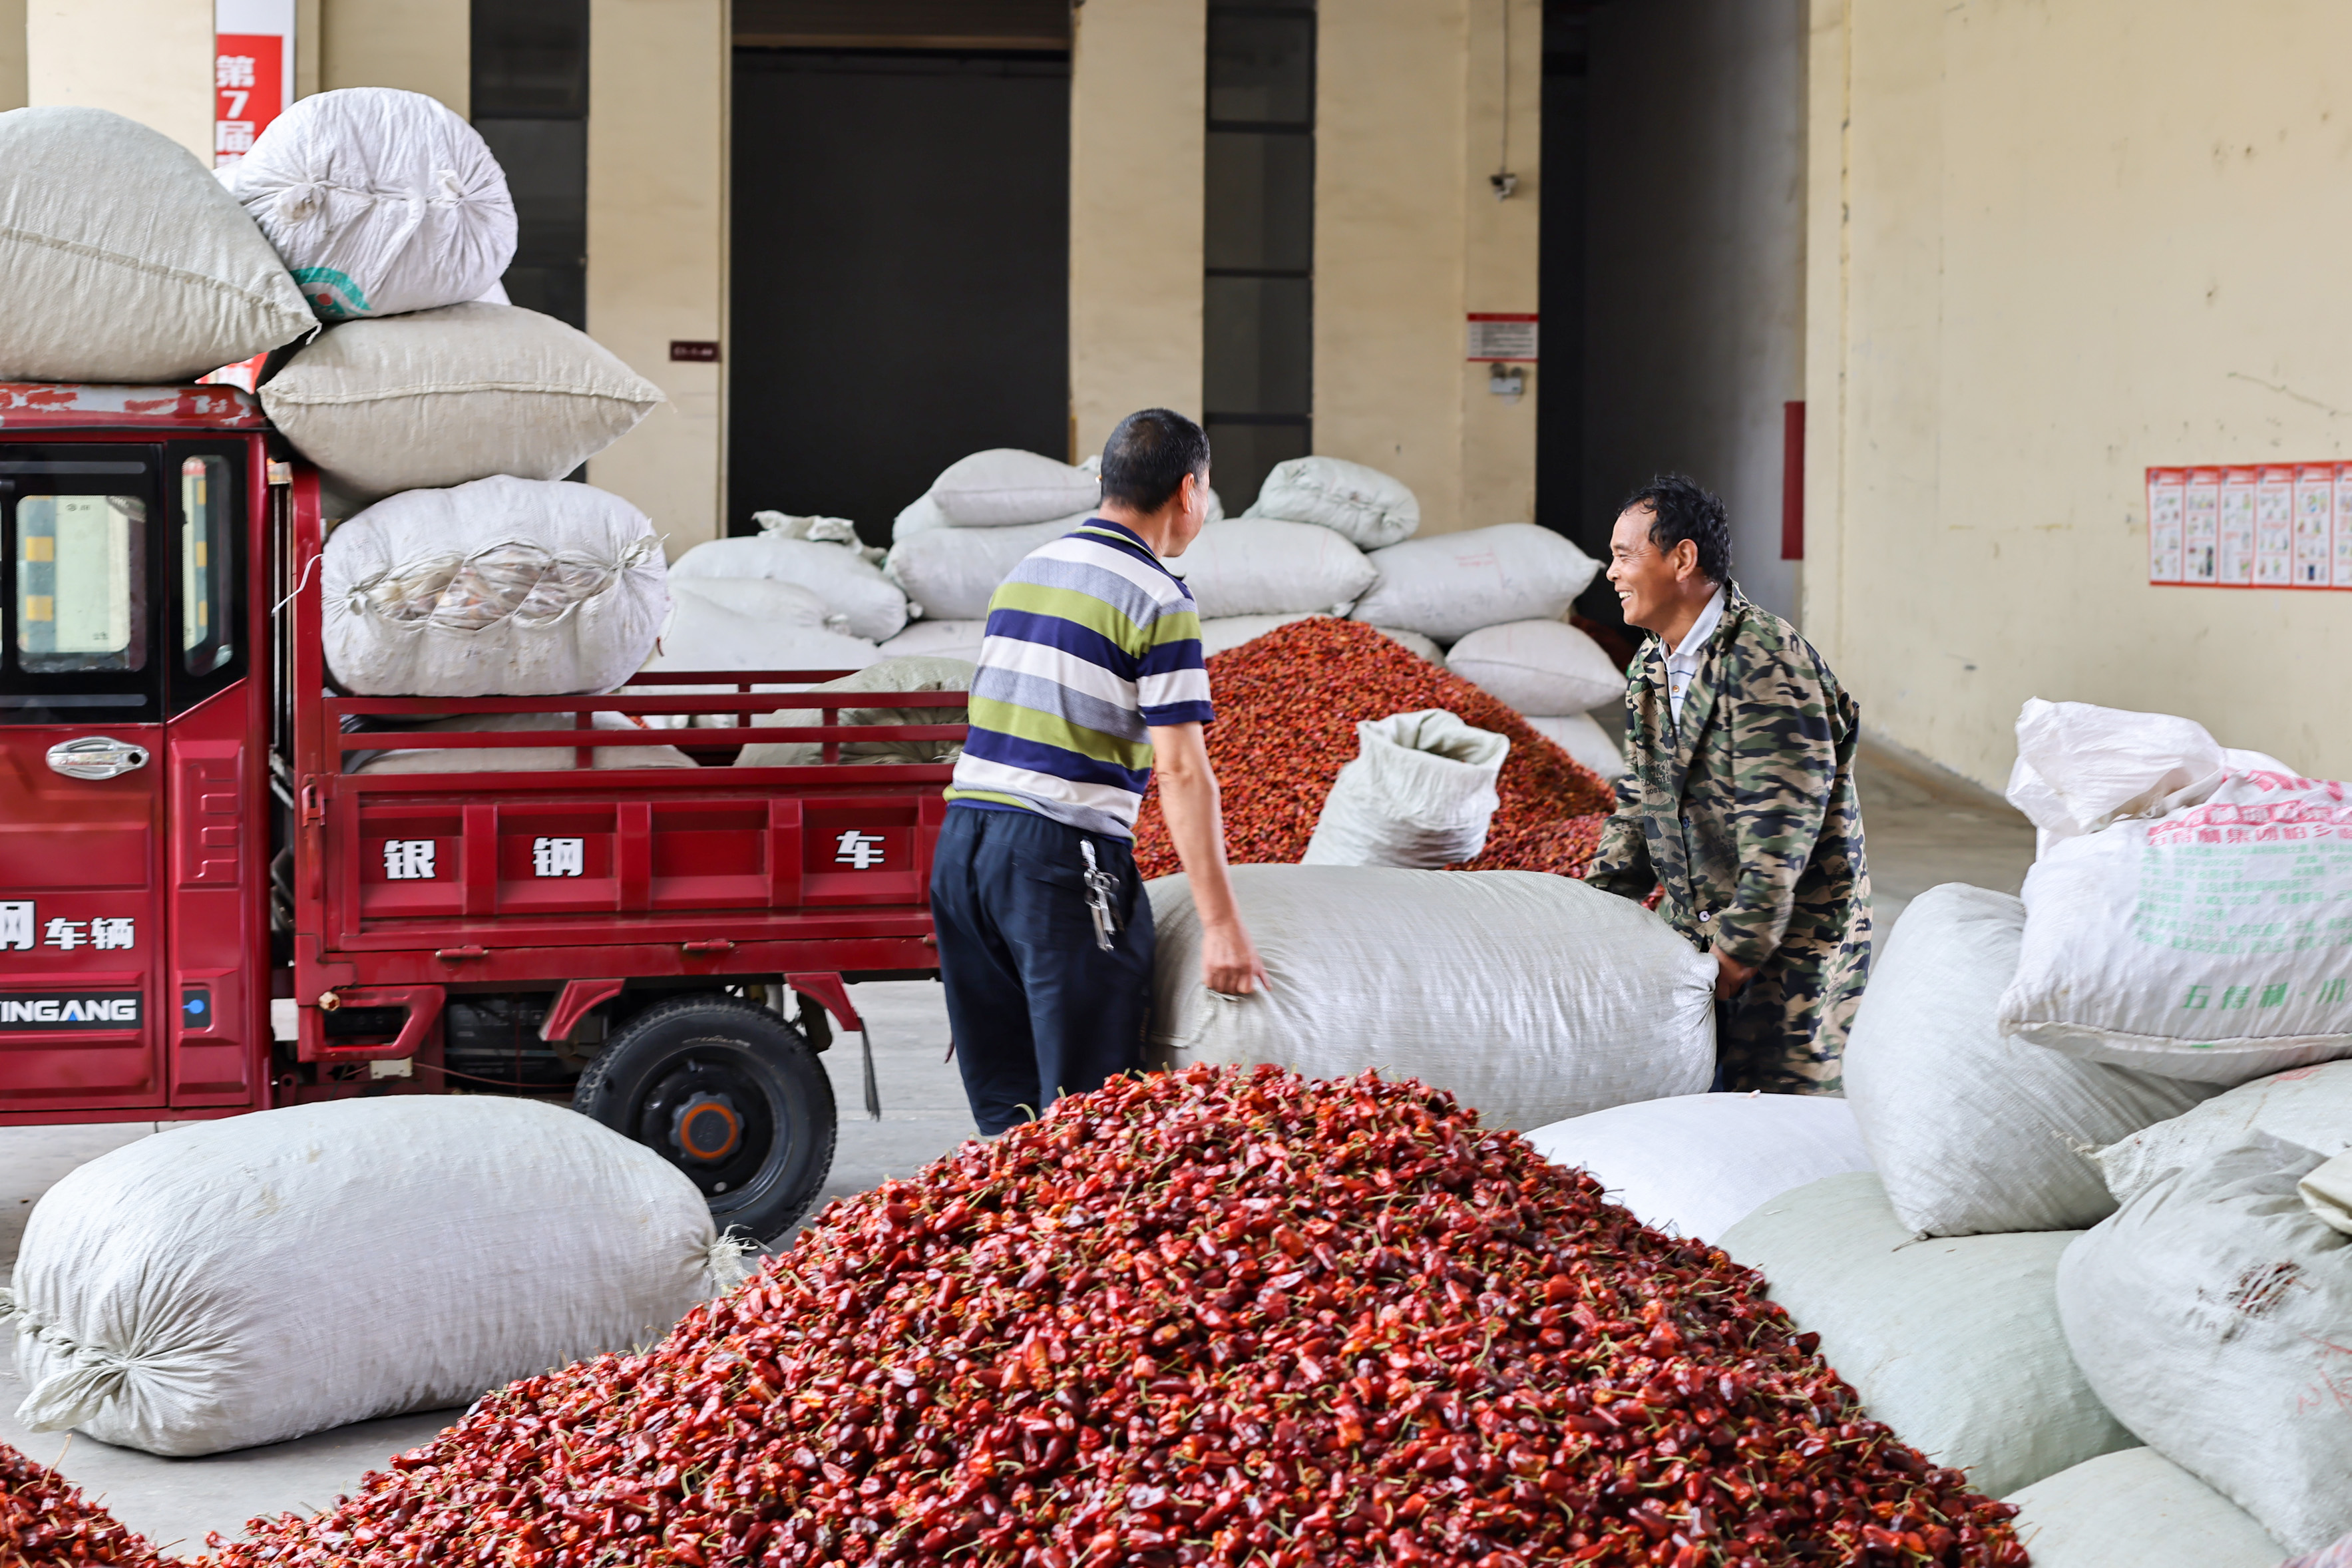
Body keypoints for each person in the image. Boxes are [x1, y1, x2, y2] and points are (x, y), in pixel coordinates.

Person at [930, 408, 1267, 1135]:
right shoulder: (1156, 595)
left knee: (1009, 1112)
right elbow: (1181, 773)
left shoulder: (1028, 572)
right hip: (1057, 859)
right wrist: (1221, 926)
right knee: (1091, 1108)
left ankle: (1008, 1243)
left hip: (963, 851)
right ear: (1188, 491)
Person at [1584, 474, 1870, 1093]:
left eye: (1624, 555)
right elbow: (1642, 797)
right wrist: (1596, 905)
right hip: (1706, 931)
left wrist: (1735, 955)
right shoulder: (1654, 663)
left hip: (1790, 946)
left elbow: (1781, 836)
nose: (1611, 573)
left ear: (1682, 559)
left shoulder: (1764, 662)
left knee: (1777, 1112)